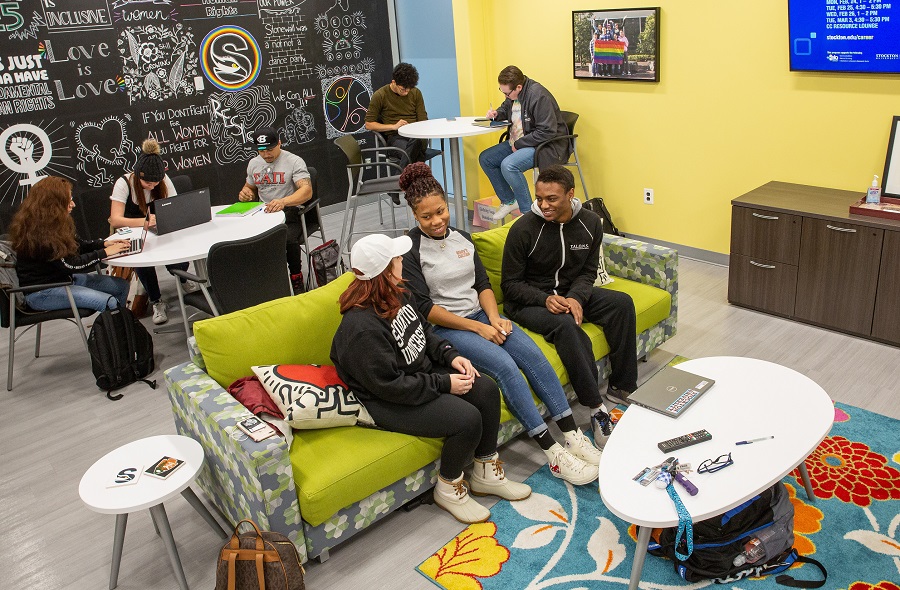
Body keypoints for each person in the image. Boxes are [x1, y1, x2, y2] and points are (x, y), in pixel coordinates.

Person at [398, 163, 600, 485]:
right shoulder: (410, 249)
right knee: (506, 366)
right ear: (414, 216)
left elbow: (482, 284)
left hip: (482, 317)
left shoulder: (463, 238)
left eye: (441, 211)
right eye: (427, 217)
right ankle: (553, 453)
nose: (437, 221)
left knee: (532, 355)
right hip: (447, 328)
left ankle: (573, 436)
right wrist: (479, 328)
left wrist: (494, 317)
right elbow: (424, 309)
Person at [330, 233, 531, 524]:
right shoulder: (361, 329)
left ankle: (486, 472)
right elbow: (391, 387)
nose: (402, 260)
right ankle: (448, 488)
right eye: (396, 258)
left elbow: (424, 331)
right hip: (387, 399)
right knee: (466, 419)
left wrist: (451, 355)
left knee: (485, 388)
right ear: (385, 270)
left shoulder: (397, 291)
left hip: (416, 374)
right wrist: (444, 383)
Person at [501, 165, 637, 445]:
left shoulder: (590, 223)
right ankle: (597, 410)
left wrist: (576, 297)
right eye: (539, 198)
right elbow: (510, 285)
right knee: (566, 325)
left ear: (570, 194)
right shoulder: (524, 229)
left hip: (568, 294)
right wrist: (545, 299)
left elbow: (587, 273)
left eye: (552, 198)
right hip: (529, 302)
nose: (544, 205)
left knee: (621, 304)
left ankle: (622, 387)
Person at [10, 176, 130, 313]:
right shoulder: (40, 234)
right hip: (42, 293)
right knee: (109, 302)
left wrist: (105, 244)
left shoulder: (51, 224)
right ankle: (112, 331)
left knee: (121, 286)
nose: (73, 204)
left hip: (63, 281)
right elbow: (70, 265)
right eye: (69, 200)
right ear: (53, 204)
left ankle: (120, 329)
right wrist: (105, 252)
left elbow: (79, 245)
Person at [108, 137, 194, 325]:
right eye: (148, 183)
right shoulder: (124, 183)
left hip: (159, 229)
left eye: (156, 183)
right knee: (143, 262)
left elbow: (176, 205)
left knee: (177, 250)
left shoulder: (163, 180)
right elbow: (115, 218)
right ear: (138, 175)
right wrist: (144, 222)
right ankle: (156, 300)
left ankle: (181, 278)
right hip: (134, 234)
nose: (152, 186)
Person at [479, 66, 570, 222]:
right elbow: (506, 107)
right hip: (520, 141)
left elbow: (547, 131)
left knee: (509, 165)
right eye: (503, 92)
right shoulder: (514, 94)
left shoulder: (538, 96)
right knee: (486, 158)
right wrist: (496, 114)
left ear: (519, 87)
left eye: (507, 93)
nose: (506, 96)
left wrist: (520, 143)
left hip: (543, 145)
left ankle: (529, 215)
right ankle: (509, 201)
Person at [238, 126, 312, 294]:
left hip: (290, 211)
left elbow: (306, 191)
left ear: (279, 143)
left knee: (287, 238)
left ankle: (296, 276)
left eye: (270, 149)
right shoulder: (254, 164)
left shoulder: (294, 161)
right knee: (245, 238)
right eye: (262, 151)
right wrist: (246, 194)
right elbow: (249, 188)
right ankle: (263, 279)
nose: (266, 155)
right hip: (263, 212)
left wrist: (284, 201)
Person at [365, 62, 429, 166]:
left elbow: (423, 120)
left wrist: (415, 129)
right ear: (394, 82)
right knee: (413, 152)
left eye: (409, 89)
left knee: (416, 142)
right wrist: (393, 126)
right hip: (396, 137)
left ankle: (398, 178)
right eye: (403, 89)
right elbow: (369, 124)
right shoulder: (380, 95)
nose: (407, 92)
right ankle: (409, 176)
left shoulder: (416, 93)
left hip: (416, 136)